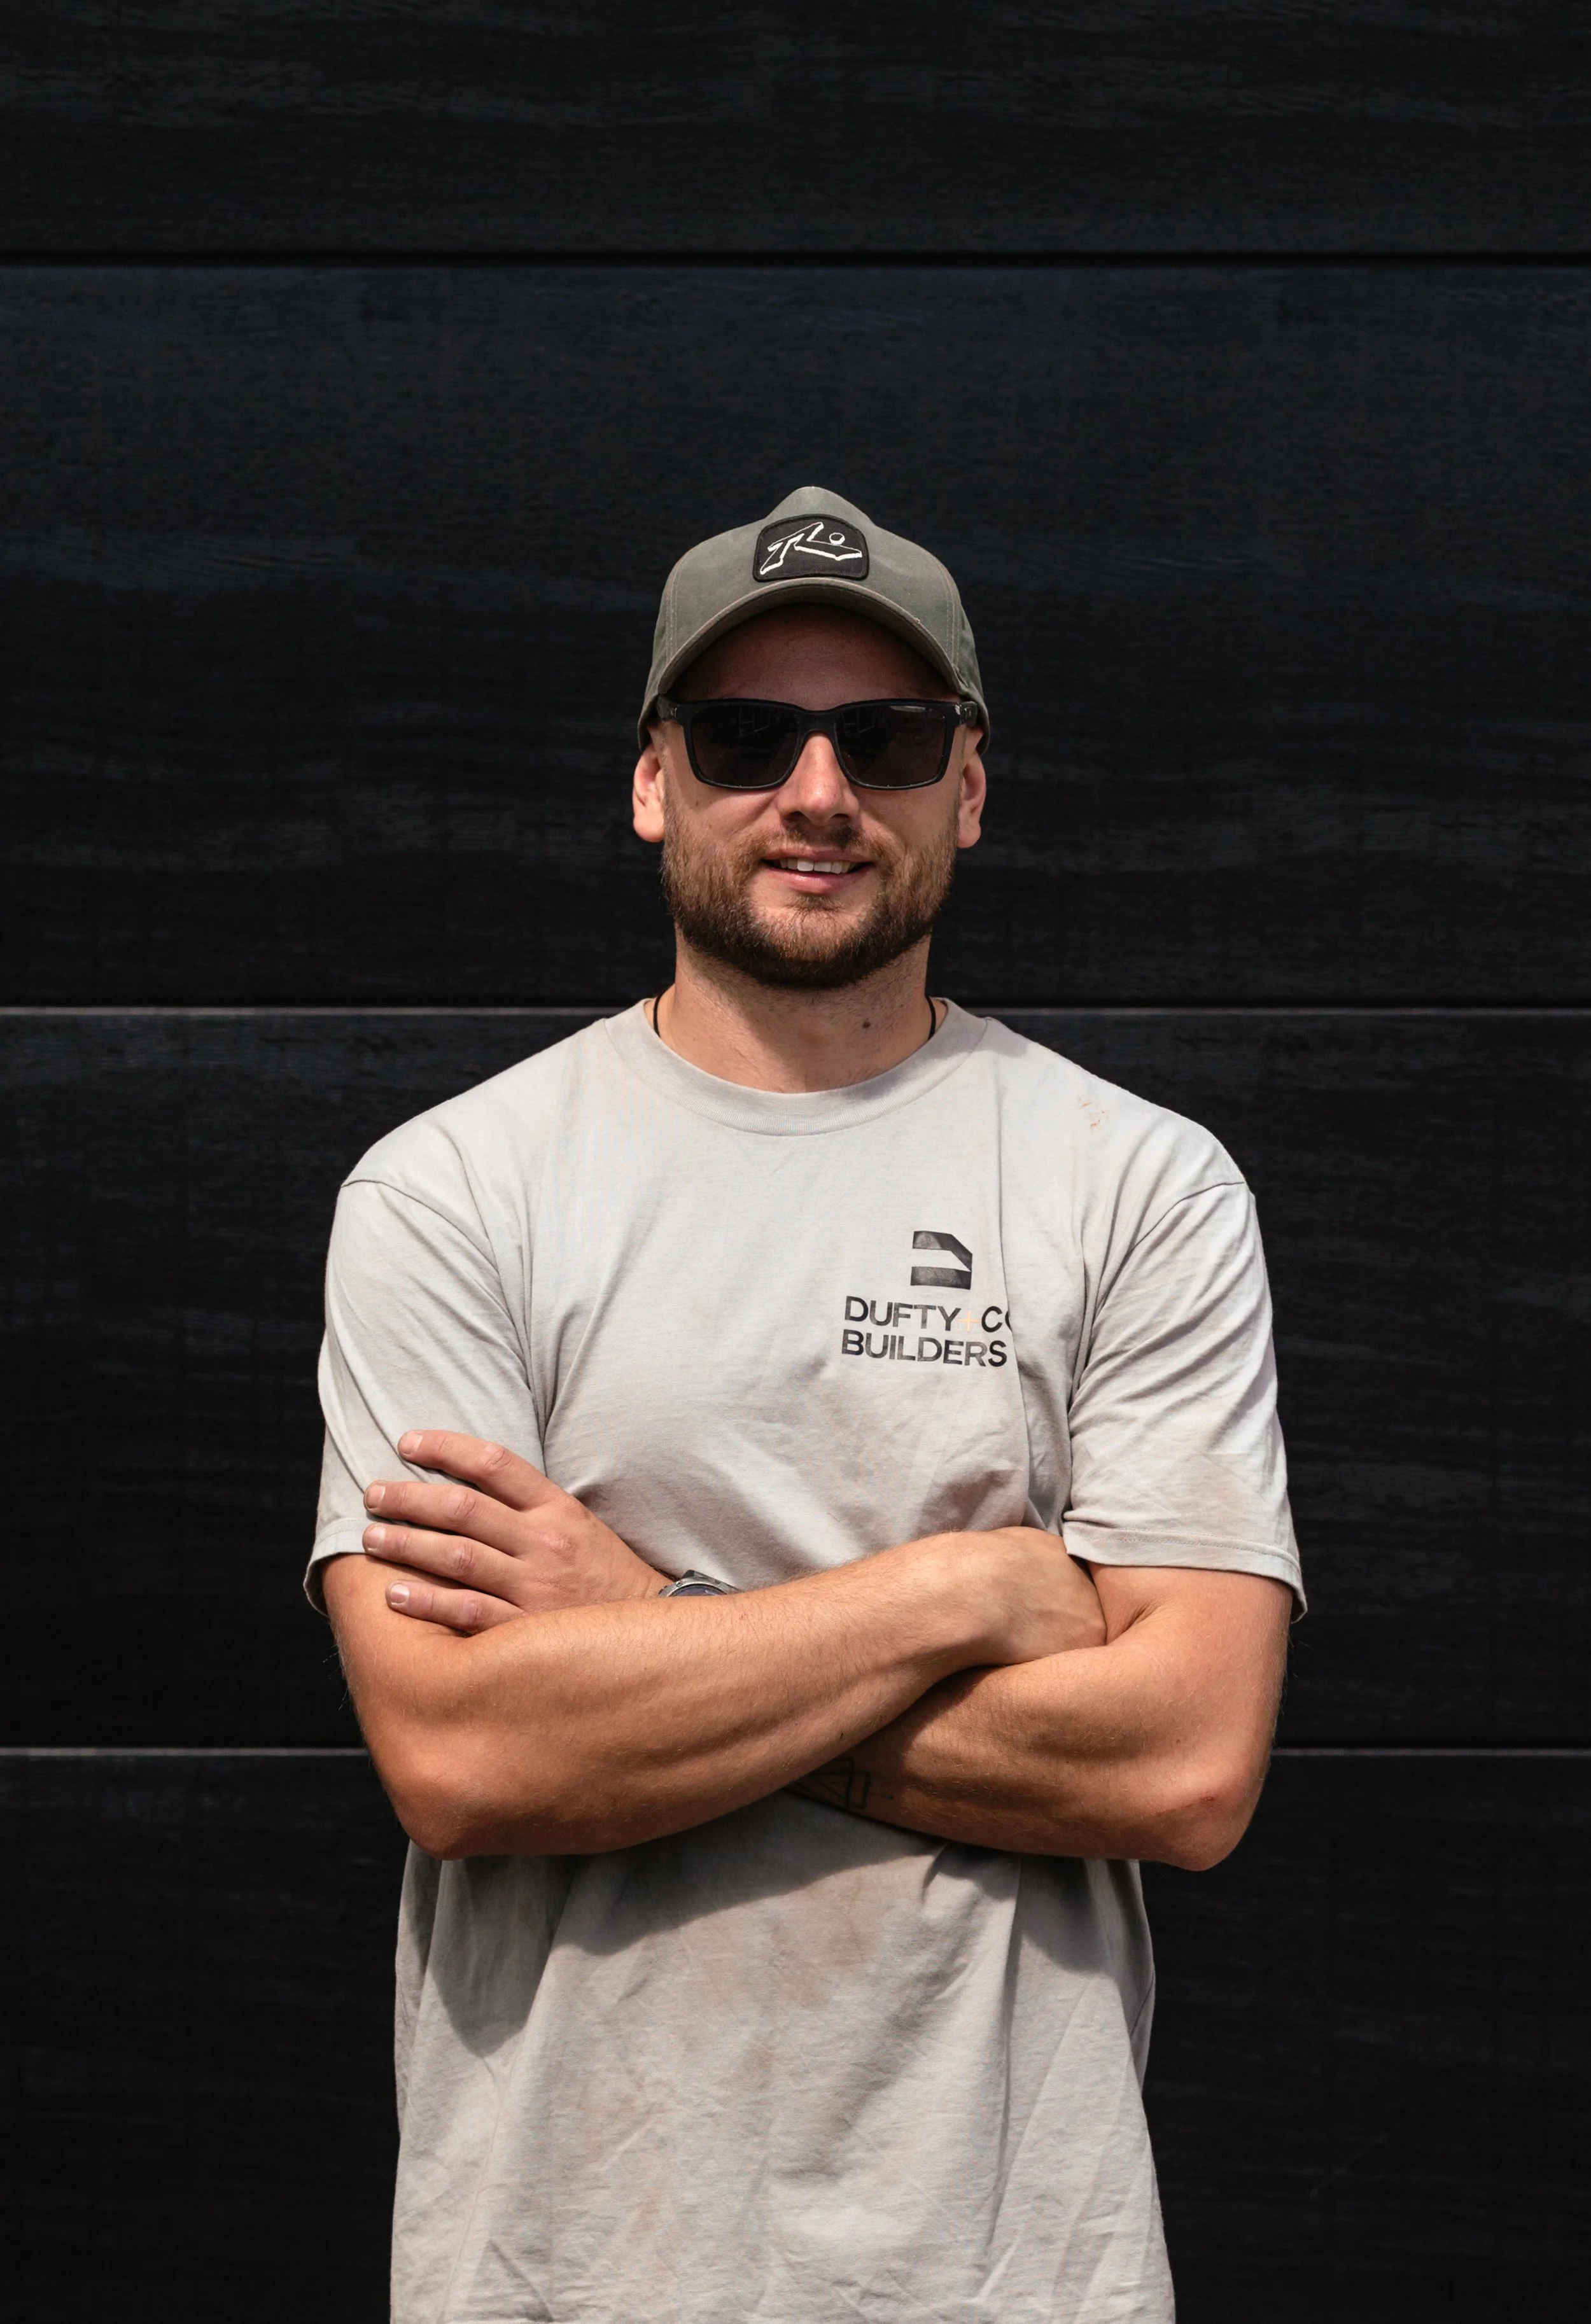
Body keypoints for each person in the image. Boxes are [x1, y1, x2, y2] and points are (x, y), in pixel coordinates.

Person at [311, 485, 1302, 2324]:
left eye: (889, 737)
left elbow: (1178, 1765)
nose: (819, 789)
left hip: (1012, 2268)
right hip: (561, 2265)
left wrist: (641, 1628)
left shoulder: (1135, 1185)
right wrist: (963, 1594)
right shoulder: (454, 1193)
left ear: (970, 788)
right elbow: (466, 1760)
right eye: (748, 737)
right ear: (651, 779)